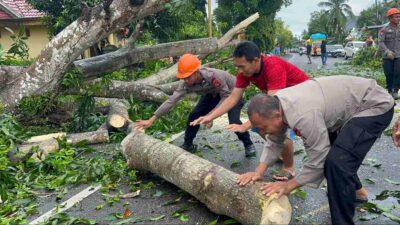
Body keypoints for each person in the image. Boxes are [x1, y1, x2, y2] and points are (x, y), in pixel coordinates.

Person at [240, 75, 394, 225]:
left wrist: (288, 186)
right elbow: (274, 139)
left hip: (374, 105)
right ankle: (357, 192)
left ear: (277, 115)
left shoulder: (303, 115)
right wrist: (258, 172)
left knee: (337, 163)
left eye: (263, 127)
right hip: (344, 110)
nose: (264, 132)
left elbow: (319, 160)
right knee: (338, 159)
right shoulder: (276, 104)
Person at [190, 41, 309, 180]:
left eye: (242, 66)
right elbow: (233, 97)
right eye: (237, 66)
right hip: (281, 100)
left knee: (284, 132)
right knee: (266, 130)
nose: (239, 71)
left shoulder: (273, 65)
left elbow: (271, 106)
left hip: (301, 100)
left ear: (256, 60)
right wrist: (211, 116)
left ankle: (290, 167)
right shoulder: (245, 73)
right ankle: (282, 157)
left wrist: (245, 126)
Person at [135, 53, 255, 156]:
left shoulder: (213, 76)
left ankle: (248, 144)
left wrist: (211, 115)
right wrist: (151, 119)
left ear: (196, 72)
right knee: (194, 116)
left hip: (232, 93)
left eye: (188, 77)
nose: (186, 80)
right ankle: (188, 145)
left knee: (233, 121)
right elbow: (171, 100)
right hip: (211, 95)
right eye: (183, 78)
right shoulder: (185, 84)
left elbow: (226, 97)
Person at [378, 8, 400, 100]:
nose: (399, 18)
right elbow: (381, 42)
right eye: (396, 17)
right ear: (390, 18)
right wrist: (387, 51)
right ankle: (389, 91)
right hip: (388, 57)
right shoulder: (384, 30)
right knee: (389, 74)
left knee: (398, 73)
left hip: (398, 56)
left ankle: (395, 91)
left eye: (399, 16)